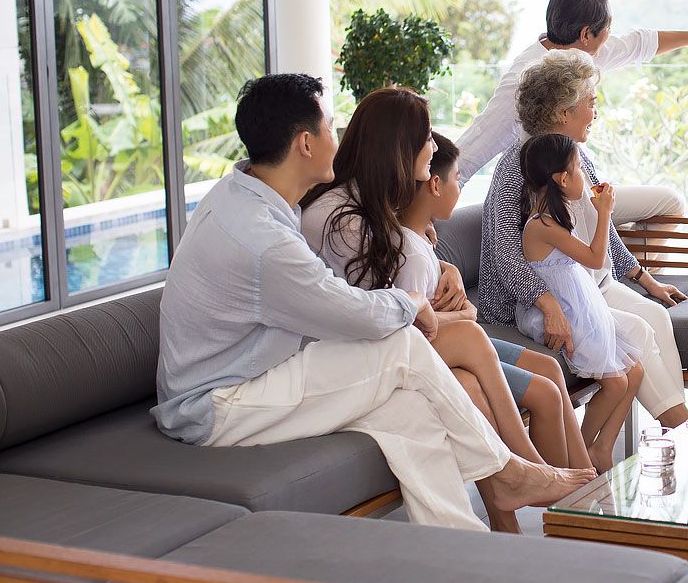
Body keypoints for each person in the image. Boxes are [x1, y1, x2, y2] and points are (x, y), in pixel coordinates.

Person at [152, 73, 592, 533]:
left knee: (411, 413)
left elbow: (336, 300)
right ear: (305, 143)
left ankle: (466, 546)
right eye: (329, 127)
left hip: (251, 374)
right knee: (403, 348)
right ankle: (508, 474)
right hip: (220, 403)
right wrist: (412, 302)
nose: (335, 138)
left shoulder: (239, 196)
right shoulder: (264, 239)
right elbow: (350, 310)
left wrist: (422, 290)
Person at [299, 90, 592, 480]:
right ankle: (528, 473)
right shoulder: (339, 218)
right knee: (474, 367)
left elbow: (403, 263)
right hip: (369, 345)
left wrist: (445, 267)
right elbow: (385, 303)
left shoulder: (374, 202)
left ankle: (582, 489)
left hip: (403, 330)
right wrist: (451, 299)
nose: (433, 146)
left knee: (545, 370)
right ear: (399, 148)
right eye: (426, 140)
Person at [479, 50, 688, 429]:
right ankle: (681, 429)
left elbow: (603, 232)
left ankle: (676, 430)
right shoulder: (516, 167)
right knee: (639, 333)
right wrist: (548, 306)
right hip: (551, 296)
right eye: (591, 102)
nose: (596, 110)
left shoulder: (577, 157)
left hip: (588, 282)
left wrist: (647, 280)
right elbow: (506, 255)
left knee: (657, 315)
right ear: (564, 112)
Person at [456, 0, 688, 227]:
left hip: (582, 186)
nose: (610, 37)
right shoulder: (525, 79)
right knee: (671, 202)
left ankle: (631, 276)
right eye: (607, 28)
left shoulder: (582, 53)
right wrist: (421, 224)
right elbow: (468, 156)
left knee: (642, 212)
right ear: (585, 34)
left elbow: (640, 43)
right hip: (554, 203)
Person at [519, 134, 644, 472]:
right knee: (616, 381)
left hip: (579, 303)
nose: (582, 178)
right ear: (562, 179)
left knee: (635, 373)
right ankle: (581, 452)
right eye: (577, 170)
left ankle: (601, 448)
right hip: (569, 311)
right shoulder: (540, 225)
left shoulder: (554, 218)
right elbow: (594, 257)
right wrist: (605, 213)